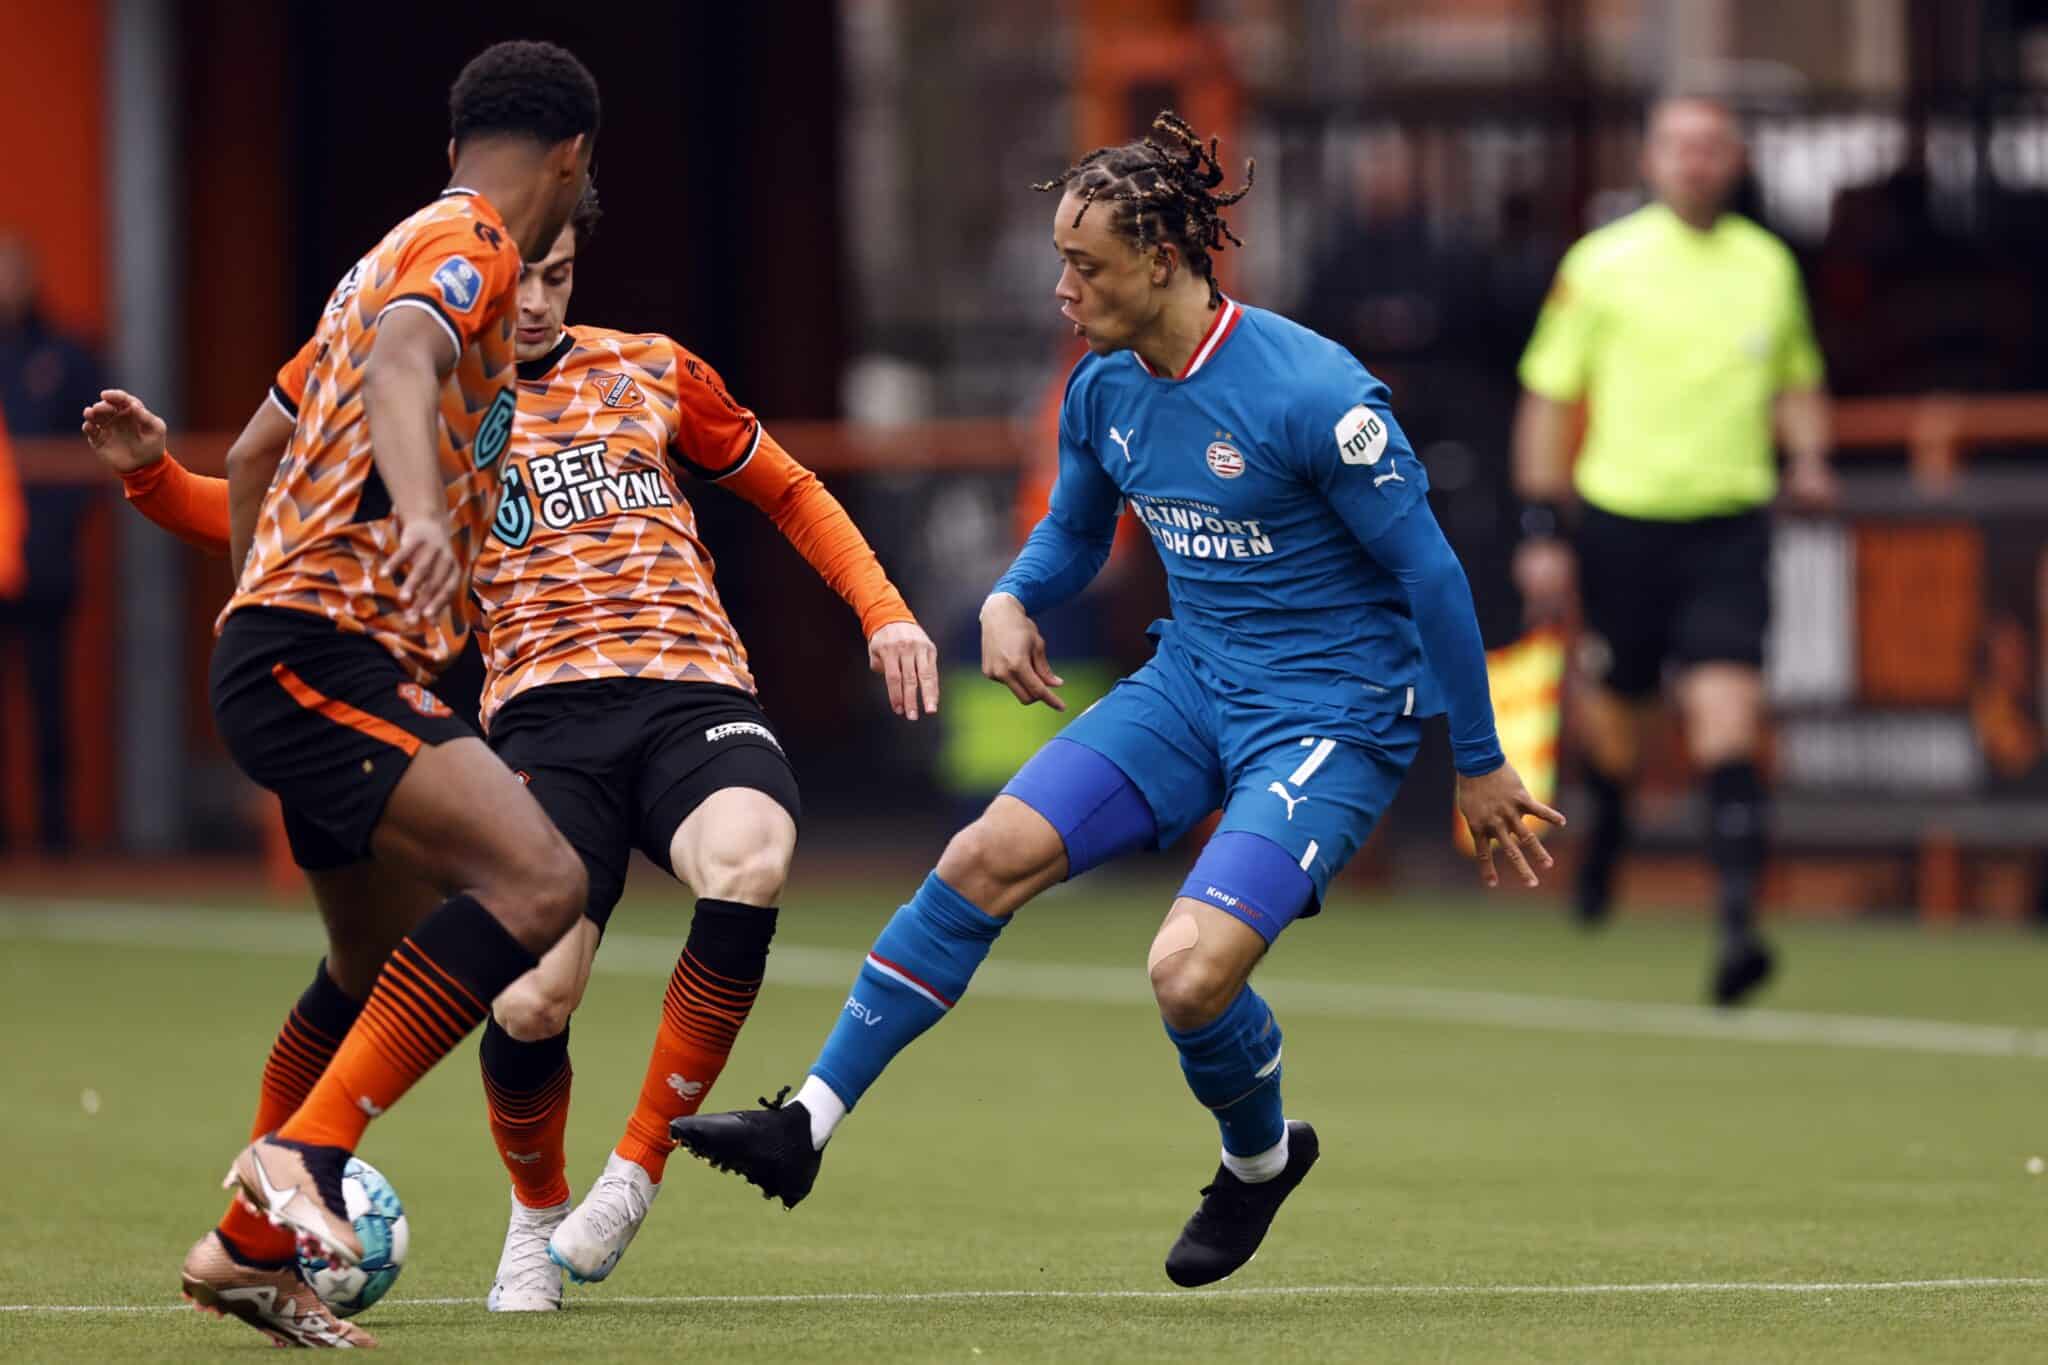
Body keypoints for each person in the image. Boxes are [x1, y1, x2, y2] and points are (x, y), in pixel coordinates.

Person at [672, 112, 1560, 1289]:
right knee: (981, 856)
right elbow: (1075, 532)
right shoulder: (1101, 391)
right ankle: (806, 1125)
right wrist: (1011, 596)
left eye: (1083, 265)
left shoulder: (1313, 394)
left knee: (1185, 975)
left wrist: (1479, 758)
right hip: (1190, 684)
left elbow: (1432, 575)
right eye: (1060, 261)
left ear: (1161, 259)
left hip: (1328, 718)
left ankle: (1256, 1161)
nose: (1062, 288)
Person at [84, 193, 936, 1314]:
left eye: (558, 276)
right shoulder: (429, 405)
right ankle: (536, 1212)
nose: (533, 301)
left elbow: (787, 485)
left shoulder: (652, 368)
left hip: (693, 696)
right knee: (533, 1000)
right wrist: (152, 477)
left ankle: (633, 1172)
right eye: (520, 278)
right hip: (543, 722)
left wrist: (885, 611)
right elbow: (268, 515)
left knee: (752, 855)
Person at [153, 40, 600, 1349]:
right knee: (543, 883)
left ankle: (247, 1254)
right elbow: (408, 360)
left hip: (295, 651)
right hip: (321, 655)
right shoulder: (470, 248)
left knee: (368, 963)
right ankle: (300, 1158)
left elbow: (254, 454)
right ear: (571, 159)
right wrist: (412, 517)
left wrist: (259, 603)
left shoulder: (377, 260)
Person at [1511, 95, 1834, 1006]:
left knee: (1728, 715)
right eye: (1679, 146)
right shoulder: (1601, 263)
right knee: (1619, 720)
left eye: (1712, 146)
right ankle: (1610, 823)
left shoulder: (1767, 265)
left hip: (1730, 523)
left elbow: (1798, 376)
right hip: (1624, 523)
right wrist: (1543, 526)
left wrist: (1809, 456)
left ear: (1736, 161)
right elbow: (1548, 396)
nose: (1695, 161)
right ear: (1650, 160)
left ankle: (1737, 928)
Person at [0, 231, 104, 850]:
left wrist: (51, 530)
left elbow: (97, 446)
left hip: (44, 564)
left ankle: (56, 835)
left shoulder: (66, 356)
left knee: (49, 700)